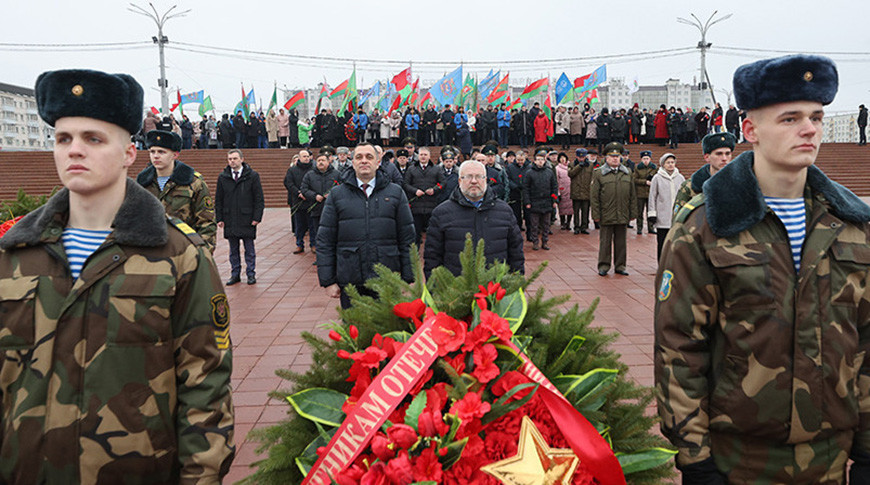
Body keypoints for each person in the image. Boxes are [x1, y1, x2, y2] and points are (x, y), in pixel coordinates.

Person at [0, 68, 234, 482]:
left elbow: (205, 388)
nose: (74, 151)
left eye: (93, 139)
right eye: (63, 139)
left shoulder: (178, 256)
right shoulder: (16, 256)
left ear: (128, 153)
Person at [655, 54, 870, 484]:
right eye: (789, 118)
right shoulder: (705, 226)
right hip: (738, 460)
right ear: (750, 130)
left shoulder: (852, 226)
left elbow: (865, 339)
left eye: (816, 116)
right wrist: (695, 460)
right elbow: (679, 348)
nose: (809, 129)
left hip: (830, 458)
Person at [316, 143, 415, 309]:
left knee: (388, 333)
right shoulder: (337, 194)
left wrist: (409, 278)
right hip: (350, 279)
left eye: (369, 157)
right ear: (352, 162)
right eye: (359, 157)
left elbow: (408, 238)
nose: (364, 161)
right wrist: (328, 281)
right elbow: (325, 239)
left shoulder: (395, 193)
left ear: (378, 162)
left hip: (387, 278)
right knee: (354, 331)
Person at [424, 158, 524, 278]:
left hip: (495, 289)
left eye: (479, 177)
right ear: (460, 180)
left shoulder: (504, 211)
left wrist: (515, 281)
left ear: (485, 180)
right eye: (469, 177)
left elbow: (516, 252)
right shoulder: (441, 213)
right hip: (456, 289)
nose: (474, 181)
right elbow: (432, 256)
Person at [137, 129, 217, 251]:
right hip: (150, 256)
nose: (156, 156)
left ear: (175, 155)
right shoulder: (142, 183)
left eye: (161, 152)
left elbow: (207, 223)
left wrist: (201, 256)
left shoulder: (193, 182)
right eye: (152, 151)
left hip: (183, 254)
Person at [215, 149, 264, 285]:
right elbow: (218, 199)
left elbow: (258, 198)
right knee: (233, 250)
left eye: (235, 158)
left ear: (242, 159)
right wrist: (219, 218)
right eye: (230, 159)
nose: (232, 161)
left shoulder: (252, 176)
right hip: (230, 217)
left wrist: (257, 217)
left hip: (247, 218)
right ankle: (235, 274)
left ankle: (250, 274)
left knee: (249, 249)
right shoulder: (223, 177)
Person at [591, 142, 636, 276]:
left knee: (621, 242)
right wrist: (596, 215)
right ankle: (604, 265)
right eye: (612, 156)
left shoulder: (627, 172)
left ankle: (620, 266)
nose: (615, 159)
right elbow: (594, 196)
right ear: (606, 158)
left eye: (617, 156)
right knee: (605, 242)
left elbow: (632, 194)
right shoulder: (599, 174)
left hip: (622, 212)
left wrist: (633, 213)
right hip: (606, 213)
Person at [672, 132, 737, 212]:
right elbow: (678, 218)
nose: (724, 158)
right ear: (707, 157)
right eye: (719, 154)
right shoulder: (691, 186)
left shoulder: (740, 184)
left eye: (727, 154)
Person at [403, 146, 444, 246]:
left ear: (429, 156)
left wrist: (434, 190)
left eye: (425, 155)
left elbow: (443, 183)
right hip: (416, 207)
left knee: (432, 235)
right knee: (416, 234)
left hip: (431, 206)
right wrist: (415, 191)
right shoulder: (411, 169)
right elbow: (405, 184)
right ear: (418, 156)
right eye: (421, 154)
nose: (423, 157)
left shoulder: (436, 169)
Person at [646, 152, 683, 259]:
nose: (671, 164)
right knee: (662, 243)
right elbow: (652, 196)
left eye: (672, 162)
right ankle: (661, 265)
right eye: (668, 162)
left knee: (676, 244)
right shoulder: (657, 178)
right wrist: (652, 213)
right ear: (663, 164)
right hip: (663, 216)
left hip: (676, 216)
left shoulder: (680, 177)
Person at [301, 152, 339, 255]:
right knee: (318, 233)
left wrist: (332, 194)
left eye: (323, 160)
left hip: (332, 210)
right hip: (316, 209)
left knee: (332, 233)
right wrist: (314, 196)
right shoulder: (310, 175)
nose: (321, 163)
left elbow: (343, 187)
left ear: (328, 162)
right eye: (319, 161)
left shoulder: (336, 174)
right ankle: (321, 256)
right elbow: (304, 189)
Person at [523, 149, 558, 250]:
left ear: (545, 161)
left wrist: (554, 200)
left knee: (546, 225)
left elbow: (554, 187)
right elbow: (526, 188)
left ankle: (545, 242)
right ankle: (535, 242)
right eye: (538, 160)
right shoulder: (529, 173)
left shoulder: (549, 172)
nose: (540, 162)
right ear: (534, 161)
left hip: (547, 202)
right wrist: (527, 202)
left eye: (542, 160)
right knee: (534, 224)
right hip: (534, 202)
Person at [284, 149, 314, 254]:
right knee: (299, 225)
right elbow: (289, 183)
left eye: (307, 156)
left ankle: (313, 244)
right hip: (298, 201)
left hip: (311, 201)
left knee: (313, 225)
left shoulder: (314, 169)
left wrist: (309, 194)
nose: (306, 158)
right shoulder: (292, 170)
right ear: (299, 158)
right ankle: (299, 244)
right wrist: (298, 193)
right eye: (304, 156)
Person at [632, 150, 657, 235]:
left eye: (647, 158)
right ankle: (639, 227)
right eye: (644, 159)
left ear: (650, 159)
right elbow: (634, 179)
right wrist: (644, 182)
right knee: (639, 211)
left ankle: (651, 227)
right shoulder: (637, 168)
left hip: (650, 193)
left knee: (650, 211)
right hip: (640, 193)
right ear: (641, 159)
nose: (646, 160)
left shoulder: (654, 168)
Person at [568, 148, 593, 234]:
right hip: (576, 191)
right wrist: (579, 166)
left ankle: (584, 227)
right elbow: (570, 174)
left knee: (585, 211)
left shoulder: (590, 165)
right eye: (579, 157)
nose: (581, 159)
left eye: (583, 157)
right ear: (576, 156)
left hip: (586, 191)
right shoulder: (572, 164)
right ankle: (576, 227)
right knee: (576, 211)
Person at [555, 152, 573, 230]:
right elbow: (557, 180)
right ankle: (562, 222)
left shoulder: (570, 166)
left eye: (564, 157)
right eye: (561, 158)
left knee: (570, 208)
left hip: (571, 189)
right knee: (562, 208)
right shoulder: (557, 168)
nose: (562, 159)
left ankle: (568, 223)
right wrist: (558, 191)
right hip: (562, 190)